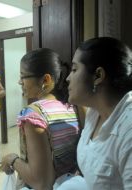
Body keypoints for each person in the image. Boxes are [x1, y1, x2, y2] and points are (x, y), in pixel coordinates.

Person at [1, 48, 80, 190]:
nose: (20, 82)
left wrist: (12, 159)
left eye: (23, 76)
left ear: (46, 79)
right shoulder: (72, 106)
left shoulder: (33, 114)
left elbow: (41, 182)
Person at [63, 37, 132, 190]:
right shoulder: (94, 113)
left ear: (98, 76)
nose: (68, 78)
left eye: (74, 70)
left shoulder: (128, 129)